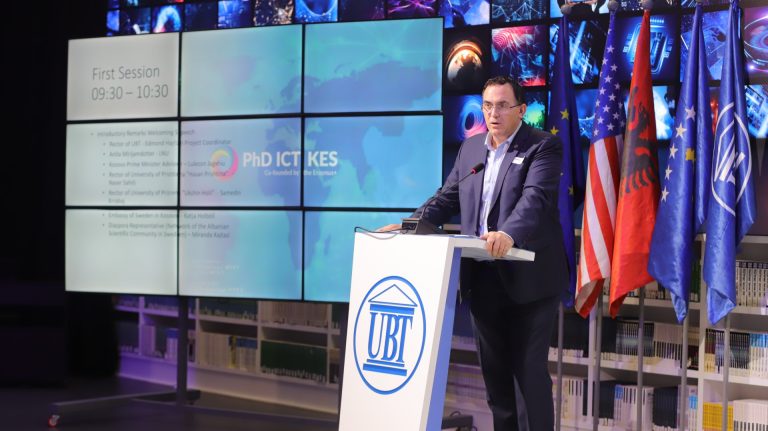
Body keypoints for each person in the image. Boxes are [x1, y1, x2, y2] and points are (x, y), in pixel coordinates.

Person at [379, 76, 568, 430]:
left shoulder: (542, 146)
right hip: (483, 279)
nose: (493, 114)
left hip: (530, 280)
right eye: (487, 106)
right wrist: (409, 226)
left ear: (521, 110)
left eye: (502, 106)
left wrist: (508, 234)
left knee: (528, 376)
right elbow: (447, 197)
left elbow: (535, 199)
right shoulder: (470, 149)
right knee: (497, 381)